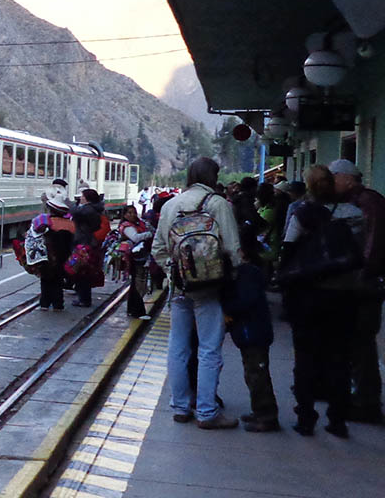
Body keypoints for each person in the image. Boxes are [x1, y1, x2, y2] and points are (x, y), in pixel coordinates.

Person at [151, 157, 242, 429]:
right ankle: (206, 411)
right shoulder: (218, 204)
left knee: (177, 347)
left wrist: (174, 272)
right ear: (212, 176)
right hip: (210, 289)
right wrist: (228, 277)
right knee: (209, 348)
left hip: (179, 288)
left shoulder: (170, 205)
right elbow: (233, 249)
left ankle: (180, 407)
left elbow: (158, 248)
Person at [281, 164, 366, 438]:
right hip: (344, 295)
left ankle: (306, 417)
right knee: (339, 357)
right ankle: (338, 419)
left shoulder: (302, 213)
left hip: (307, 294)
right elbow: (358, 250)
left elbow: (289, 249)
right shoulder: (354, 214)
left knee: (305, 357)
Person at [328, 158, 385, 424]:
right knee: (355, 344)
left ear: (347, 178)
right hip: (358, 283)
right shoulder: (360, 202)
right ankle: (359, 396)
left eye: (334, 179)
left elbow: (373, 246)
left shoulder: (368, 202)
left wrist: (361, 277)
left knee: (362, 344)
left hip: (364, 285)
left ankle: (367, 403)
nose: (331, 184)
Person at [221, 250, 279, 432]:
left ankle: (266, 416)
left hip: (252, 333)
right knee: (253, 373)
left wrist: (226, 306)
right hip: (252, 333)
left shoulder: (245, 277)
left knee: (257, 374)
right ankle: (260, 411)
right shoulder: (249, 274)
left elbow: (245, 301)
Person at [40, 185, 76, 310]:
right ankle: (58, 303)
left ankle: (45, 303)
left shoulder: (45, 222)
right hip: (63, 257)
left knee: (46, 280)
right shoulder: (71, 224)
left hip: (48, 257)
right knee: (58, 280)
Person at [68, 189, 105, 307]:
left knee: (81, 272)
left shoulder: (87, 210)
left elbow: (74, 212)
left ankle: (84, 299)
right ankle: (83, 298)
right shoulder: (94, 209)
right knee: (83, 272)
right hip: (88, 242)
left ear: (87, 198)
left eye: (82, 197)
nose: (81, 198)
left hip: (83, 243)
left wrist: (68, 201)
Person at [118, 204, 153, 318]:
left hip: (139, 257)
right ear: (124, 215)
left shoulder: (138, 223)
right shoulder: (127, 226)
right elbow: (135, 238)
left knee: (136, 283)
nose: (133, 215)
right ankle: (138, 311)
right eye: (129, 213)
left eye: (134, 212)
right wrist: (150, 234)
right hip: (135, 258)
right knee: (138, 282)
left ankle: (133, 309)